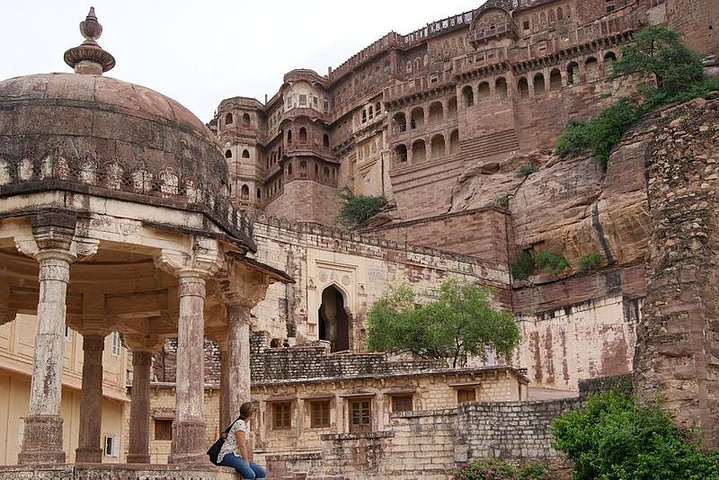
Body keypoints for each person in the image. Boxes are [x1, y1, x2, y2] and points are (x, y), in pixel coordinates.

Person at [216, 402, 266, 479]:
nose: (255, 414)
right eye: (254, 412)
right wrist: (246, 463)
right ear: (251, 413)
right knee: (250, 475)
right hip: (227, 455)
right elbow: (242, 446)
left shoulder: (243, 424)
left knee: (261, 473)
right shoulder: (240, 424)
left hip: (236, 456)